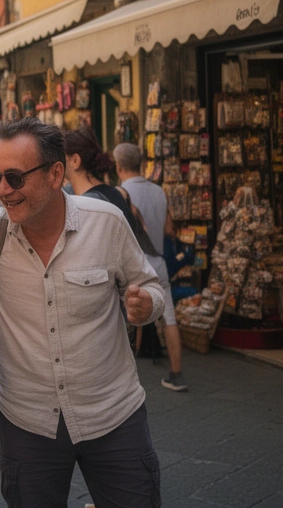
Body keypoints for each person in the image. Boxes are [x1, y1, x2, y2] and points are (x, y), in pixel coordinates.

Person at [0, 118, 165, 508]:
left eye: (15, 178)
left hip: (113, 415)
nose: (2, 191)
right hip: (27, 420)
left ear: (56, 174)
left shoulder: (105, 222)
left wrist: (145, 306)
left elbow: (151, 287)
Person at [114, 142, 187, 391]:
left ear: (118, 165)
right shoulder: (159, 191)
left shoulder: (120, 192)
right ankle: (176, 374)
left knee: (121, 320)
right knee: (169, 318)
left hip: (132, 266)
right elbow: (169, 230)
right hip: (158, 263)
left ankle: (124, 380)